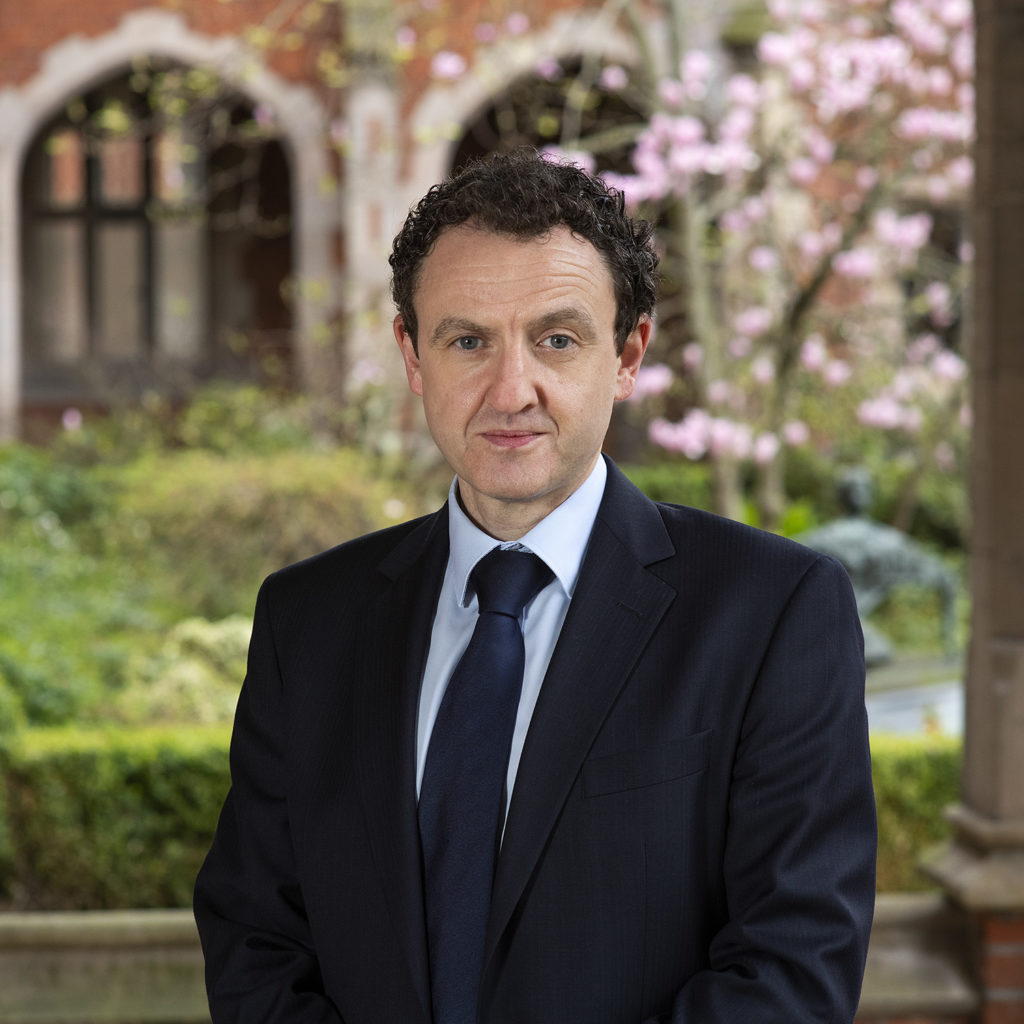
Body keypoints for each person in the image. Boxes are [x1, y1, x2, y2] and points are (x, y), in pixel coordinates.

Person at [194, 149, 876, 1023]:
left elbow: (792, 971)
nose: (511, 390)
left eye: (557, 339)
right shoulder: (308, 620)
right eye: (467, 341)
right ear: (412, 356)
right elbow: (255, 941)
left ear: (627, 355)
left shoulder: (774, 610)